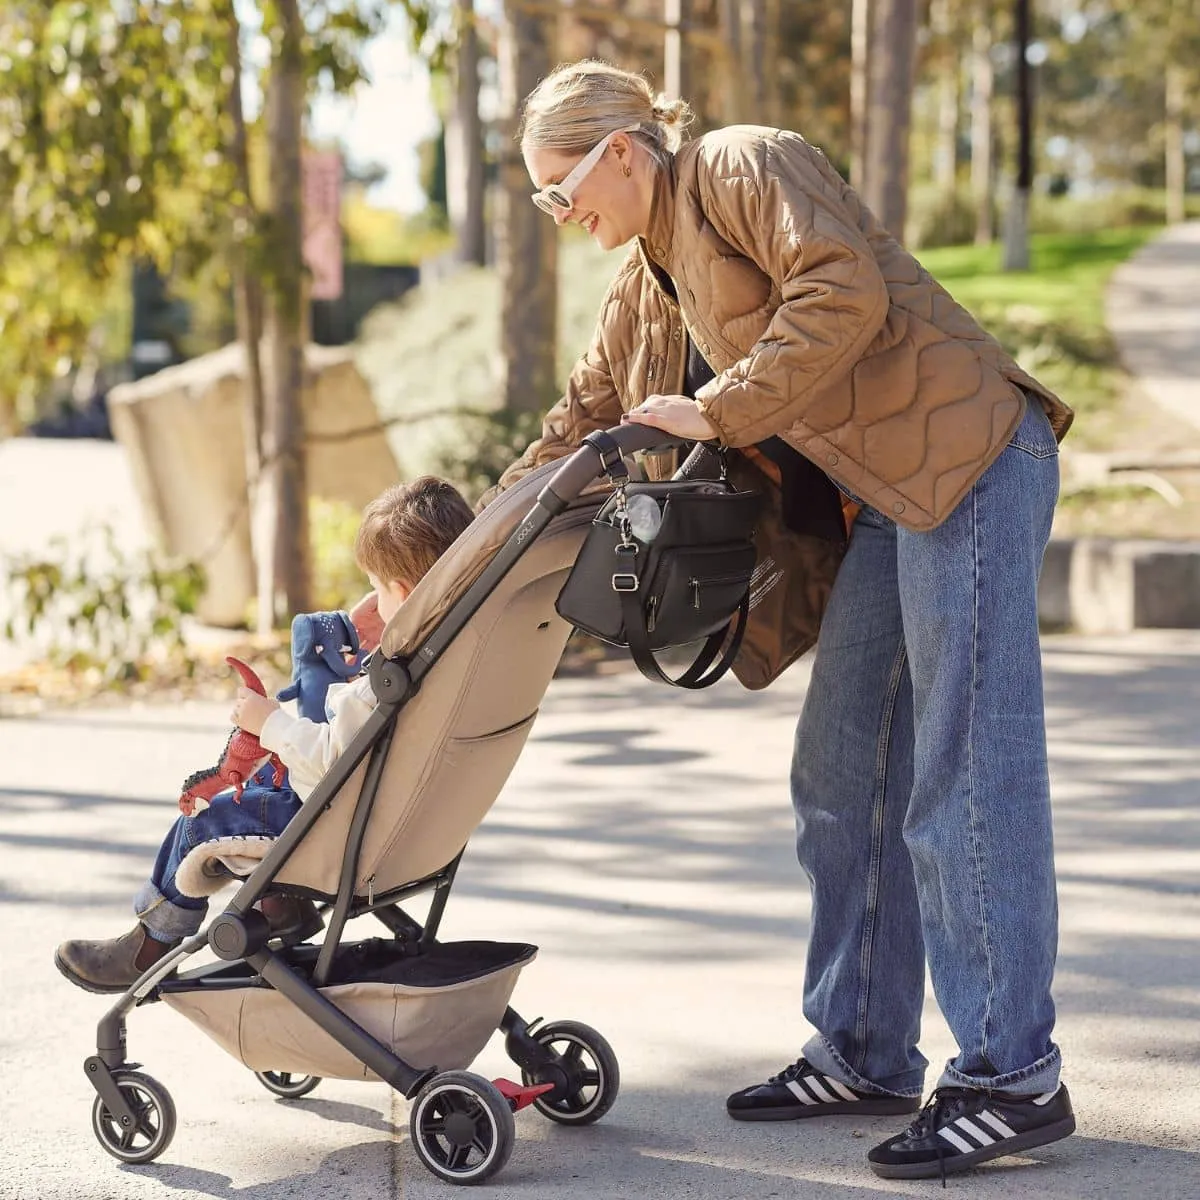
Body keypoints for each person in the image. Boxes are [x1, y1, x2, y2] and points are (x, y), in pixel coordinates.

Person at [485, 59, 1076, 1181]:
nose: (562, 217)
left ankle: (1012, 1075)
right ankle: (862, 1048)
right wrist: (462, 552)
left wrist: (715, 409)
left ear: (620, 148)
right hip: (896, 506)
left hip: (971, 462)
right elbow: (585, 421)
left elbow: (840, 292)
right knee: (841, 770)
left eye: (560, 190)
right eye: (543, 204)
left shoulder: (741, 163)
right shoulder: (646, 278)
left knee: (960, 771)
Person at [55, 476, 474, 994]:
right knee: (258, 799)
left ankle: (151, 943)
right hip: (412, 830)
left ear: (405, 594)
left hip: (337, 833)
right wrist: (393, 625)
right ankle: (280, 906)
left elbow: (329, 761)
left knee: (204, 818)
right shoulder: (455, 657)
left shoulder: (388, 683)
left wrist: (266, 724)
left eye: (377, 587)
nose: (372, 601)